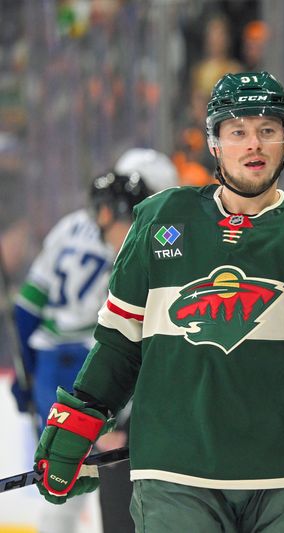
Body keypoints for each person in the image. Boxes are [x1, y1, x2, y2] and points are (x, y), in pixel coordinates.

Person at [32, 71, 284, 531]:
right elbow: (119, 343)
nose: (254, 145)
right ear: (215, 143)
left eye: (267, 131)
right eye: (238, 132)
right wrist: (79, 417)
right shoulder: (161, 218)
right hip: (176, 473)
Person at [11, 171, 151, 533]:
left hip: (50, 366)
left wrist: (25, 375)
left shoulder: (70, 225)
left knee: (63, 477)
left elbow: (26, 309)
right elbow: (126, 338)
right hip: (96, 361)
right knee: (109, 476)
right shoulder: (140, 240)